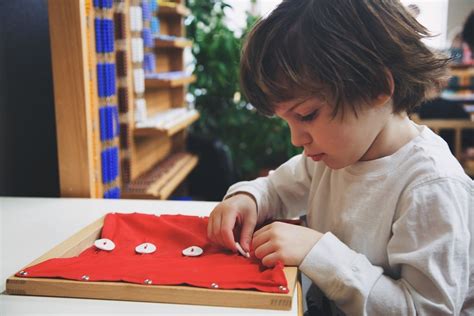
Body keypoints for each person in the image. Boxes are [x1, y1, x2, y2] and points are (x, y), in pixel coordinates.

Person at [207, 0, 473, 315]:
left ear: (376, 86)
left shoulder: (431, 187)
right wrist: (247, 198)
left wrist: (318, 253)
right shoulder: (332, 156)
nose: (296, 139)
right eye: (286, 121)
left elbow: (428, 310)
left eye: (307, 115)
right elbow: (277, 188)